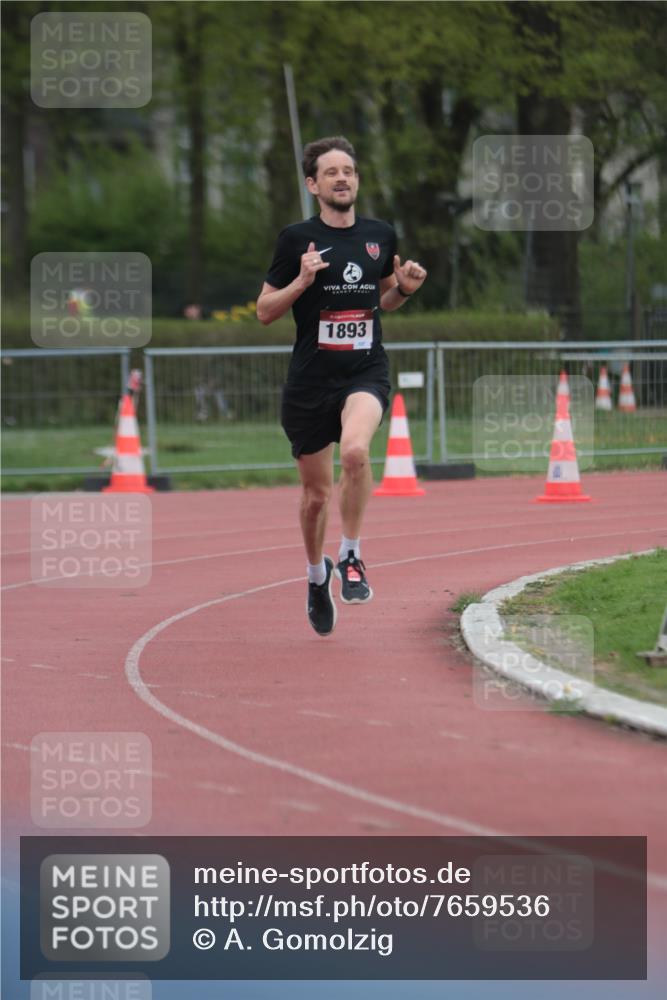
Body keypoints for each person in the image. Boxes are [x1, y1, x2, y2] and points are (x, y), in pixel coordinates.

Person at [257, 136, 427, 636]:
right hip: (310, 380)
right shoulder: (295, 240)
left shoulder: (380, 234)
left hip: (364, 372)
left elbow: (382, 301)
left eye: (349, 170)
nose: (342, 178)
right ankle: (316, 577)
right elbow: (265, 312)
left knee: (355, 452)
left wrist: (404, 289)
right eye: (331, 172)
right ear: (313, 185)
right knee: (315, 496)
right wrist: (301, 283)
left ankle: (351, 556)